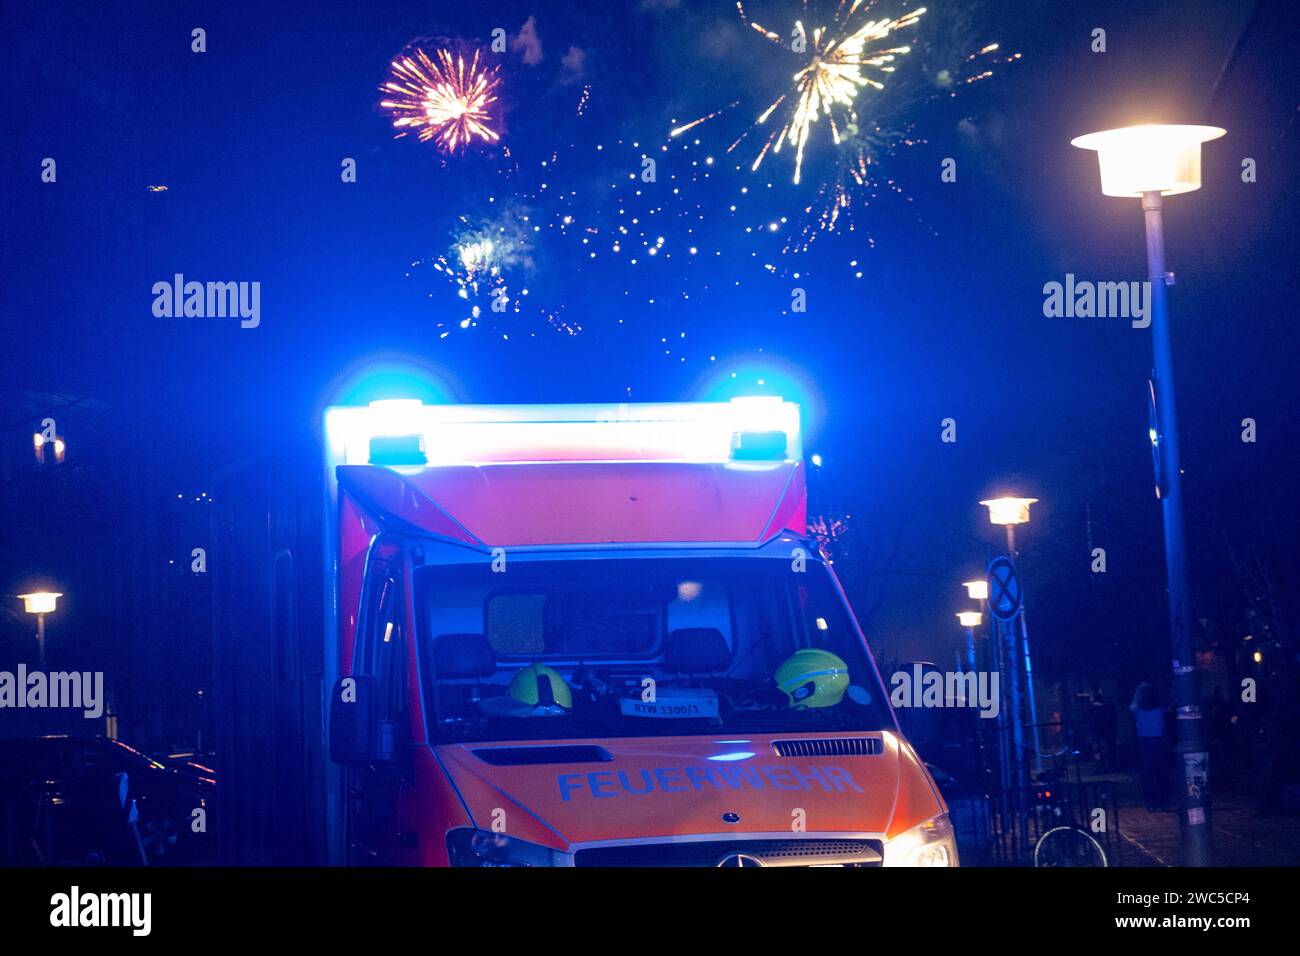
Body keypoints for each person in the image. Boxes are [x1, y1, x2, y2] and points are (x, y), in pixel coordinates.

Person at [1130, 680, 1171, 811]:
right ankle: (1163, 801)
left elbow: (1133, 705)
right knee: (1162, 773)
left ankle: (1150, 802)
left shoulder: (1138, 710)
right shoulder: (1160, 709)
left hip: (1144, 742)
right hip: (1159, 742)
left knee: (1147, 774)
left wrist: (1139, 688)